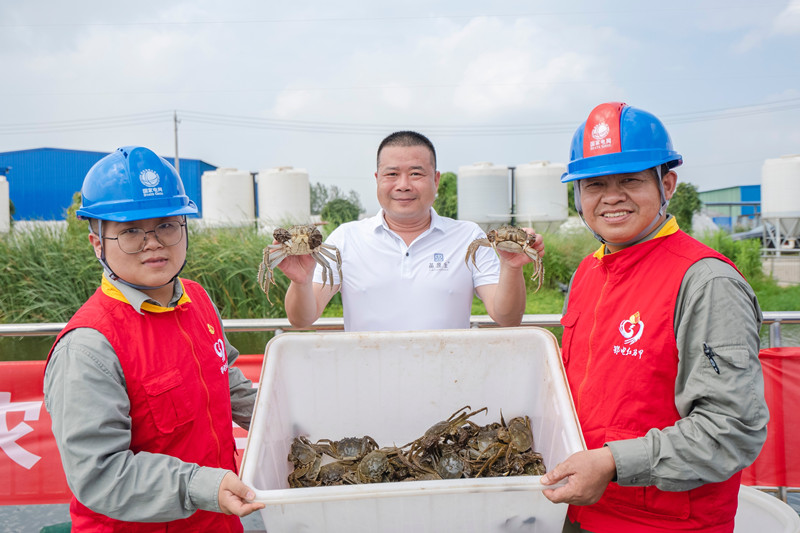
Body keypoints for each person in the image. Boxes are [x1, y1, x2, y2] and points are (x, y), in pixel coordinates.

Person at [540, 102, 769, 533]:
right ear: (578, 195)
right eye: (594, 184)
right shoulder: (589, 272)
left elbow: (732, 428)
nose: (611, 196)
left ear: (667, 184)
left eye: (630, 180)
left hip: (665, 522)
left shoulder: (706, 281)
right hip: (577, 509)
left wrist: (611, 462)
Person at [43, 146, 264, 531]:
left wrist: (294, 418)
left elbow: (226, 382)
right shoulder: (89, 347)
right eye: (130, 231)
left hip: (219, 518)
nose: (153, 242)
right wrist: (203, 485)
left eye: (166, 225)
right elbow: (100, 473)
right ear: (98, 243)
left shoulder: (197, 298)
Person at [278, 130, 544, 331]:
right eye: (392, 174)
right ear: (377, 179)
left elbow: (507, 318)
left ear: (436, 179)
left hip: (449, 385)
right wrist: (300, 282)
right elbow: (302, 319)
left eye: (416, 174)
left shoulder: (469, 237)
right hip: (369, 383)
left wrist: (511, 267)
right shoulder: (347, 238)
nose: (403, 185)